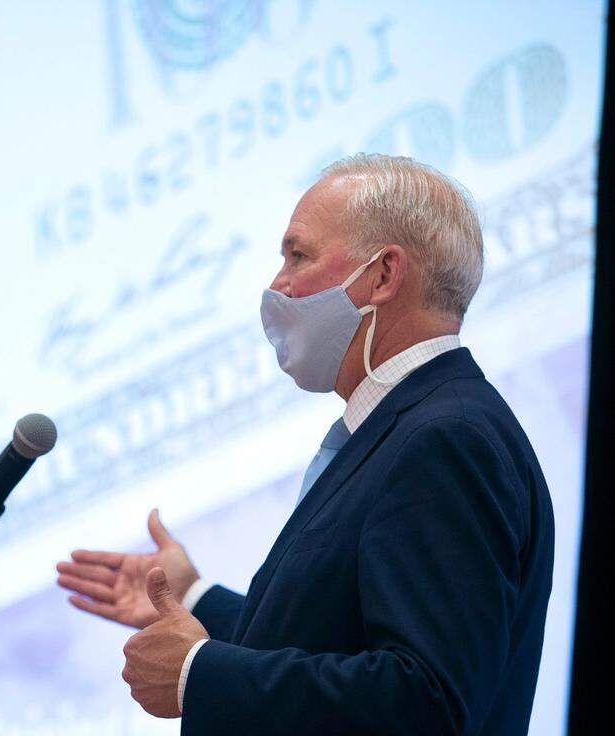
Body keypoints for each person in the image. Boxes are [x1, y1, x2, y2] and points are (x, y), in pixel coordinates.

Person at [57, 154, 554, 735]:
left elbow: (426, 701)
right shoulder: (411, 427)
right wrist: (194, 600)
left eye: (299, 255)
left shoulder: (446, 438)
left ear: (384, 274)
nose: (277, 285)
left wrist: (200, 673)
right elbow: (334, 644)